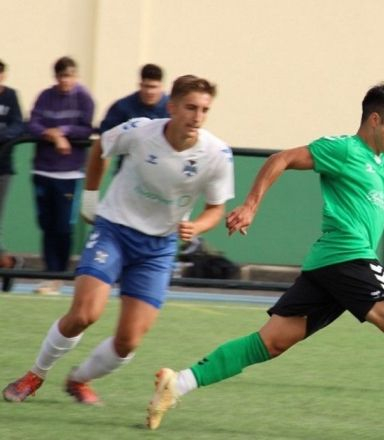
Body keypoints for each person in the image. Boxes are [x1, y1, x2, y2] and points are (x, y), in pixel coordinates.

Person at [143, 83, 384, 430]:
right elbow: (281, 159)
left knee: (271, 342)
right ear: (375, 119)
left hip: (327, 267)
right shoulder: (343, 149)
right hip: (348, 256)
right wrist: (250, 206)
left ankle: (178, 383)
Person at [3, 75, 234, 406]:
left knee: (129, 341)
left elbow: (215, 209)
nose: (197, 116)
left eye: (204, 110)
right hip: (115, 229)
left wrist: (196, 226)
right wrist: (90, 198)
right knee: (84, 314)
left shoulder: (217, 154)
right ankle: (35, 374)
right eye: (190, 107)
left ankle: (79, 379)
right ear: (171, 107)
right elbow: (101, 147)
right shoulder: (140, 130)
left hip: (158, 248)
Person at [26, 56, 95, 295]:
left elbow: (86, 129)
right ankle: (49, 273)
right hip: (43, 169)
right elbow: (33, 123)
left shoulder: (84, 98)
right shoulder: (45, 96)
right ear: (56, 77)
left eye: (70, 76)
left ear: (76, 76)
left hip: (69, 174)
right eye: (62, 76)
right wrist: (52, 135)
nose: (66, 81)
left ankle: (59, 275)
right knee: (47, 224)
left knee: (64, 226)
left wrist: (63, 131)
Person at [98, 63, 169, 173]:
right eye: (146, 86)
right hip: (128, 173)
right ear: (140, 85)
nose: (150, 92)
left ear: (161, 86)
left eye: (154, 87)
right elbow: (104, 141)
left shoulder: (172, 108)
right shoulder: (122, 107)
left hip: (162, 172)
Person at [0, 59, 25, 273]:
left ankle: (9, 264)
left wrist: (2, 136)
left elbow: (18, 125)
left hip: (3, 167)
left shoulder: (10, 97)